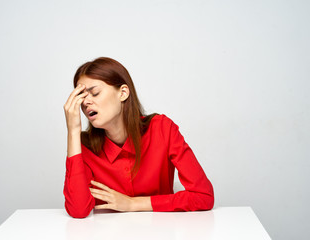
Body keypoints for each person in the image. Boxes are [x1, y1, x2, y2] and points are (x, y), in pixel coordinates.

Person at [63, 57, 214, 218]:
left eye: (95, 93)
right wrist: (73, 131)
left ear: (123, 93)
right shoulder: (83, 146)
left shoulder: (162, 129)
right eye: (81, 97)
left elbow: (204, 196)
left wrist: (132, 204)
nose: (86, 102)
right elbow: (78, 211)